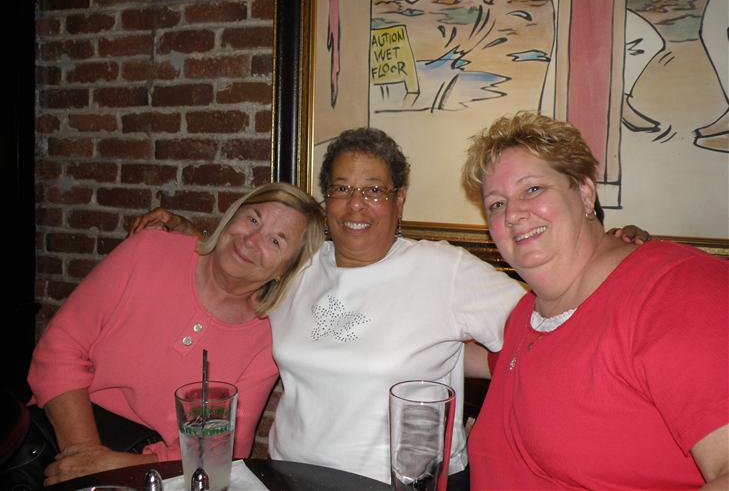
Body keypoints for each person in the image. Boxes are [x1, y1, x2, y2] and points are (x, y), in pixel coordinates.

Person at [131, 127, 649, 485]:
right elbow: (243, 254)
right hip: (289, 477)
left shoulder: (444, 270)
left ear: (400, 200)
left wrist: (613, 257)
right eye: (342, 189)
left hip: (401, 485)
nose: (357, 205)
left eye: (374, 190)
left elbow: (549, 324)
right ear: (325, 201)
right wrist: (187, 232)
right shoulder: (302, 264)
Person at [462, 112, 728, 489]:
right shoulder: (528, 313)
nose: (514, 214)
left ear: (585, 193)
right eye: (496, 204)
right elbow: (504, 362)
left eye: (533, 189)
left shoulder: (675, 290)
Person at [26, 183, 325, 486]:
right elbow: (60, 349)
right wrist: (84, 455)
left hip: (149, 465)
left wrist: (116, 468)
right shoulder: (149, 250)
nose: (250, 240)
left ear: (284, 270)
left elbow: (225, 447)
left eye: (275, 241)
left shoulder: (266, 338)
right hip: (63, 431)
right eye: (252, 219)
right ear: (232, 216)